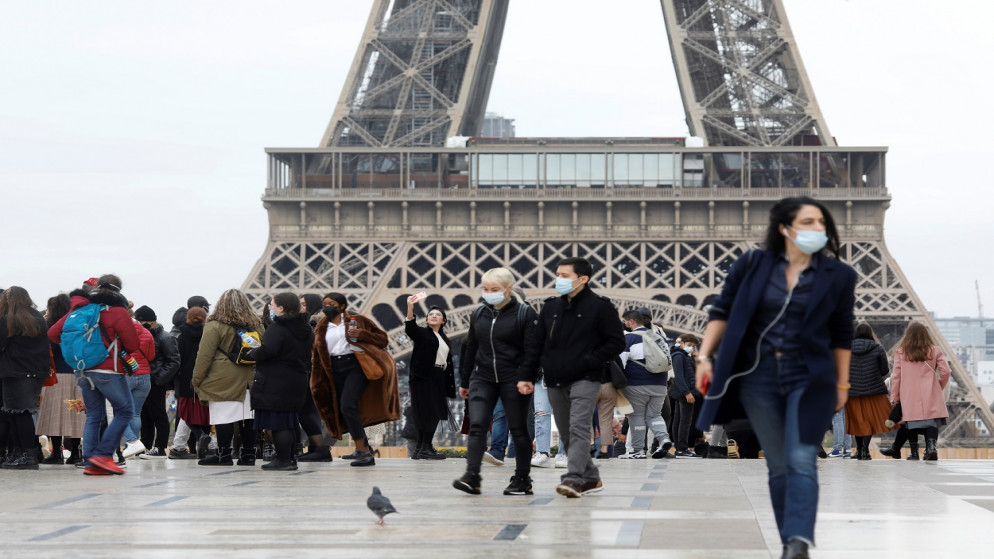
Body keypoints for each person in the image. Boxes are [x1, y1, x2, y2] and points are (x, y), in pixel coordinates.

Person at [694, 196, 857, 558]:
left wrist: (843, 384)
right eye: (809, 222)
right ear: (784, 228)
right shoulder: (752, 264)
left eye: (821, 223)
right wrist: (705, 357)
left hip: (810, 376)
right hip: (758, 377)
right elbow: (721, 310)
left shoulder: (839, 275)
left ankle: (798, 540)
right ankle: (790, 540)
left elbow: (842, 332)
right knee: (779, 462)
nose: (819, 229)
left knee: (802, 460)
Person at [537, 257, 626, 498]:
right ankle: (592, 477)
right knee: (567, 431)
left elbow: (616, 341)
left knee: (578, 427)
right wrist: (531, 371)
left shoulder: (600, 307)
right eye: (558, 274)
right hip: (555, 377)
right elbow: (537, 342)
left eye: (564, 275)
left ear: (583, 279)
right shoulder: (551, 306)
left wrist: (590, 360)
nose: (559, 279)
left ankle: (573, 477)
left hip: (586, 377)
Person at [453, 268, 542, 495]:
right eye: (485, 289)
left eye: (495, 290)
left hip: (513, 378)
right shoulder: (479, 314)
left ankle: (522, 478)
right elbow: (471, 347)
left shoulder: (524, 314)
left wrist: (526, 377)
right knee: (477, 425)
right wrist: (464, 381)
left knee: (518, 429)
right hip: (482, 377)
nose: (489, 293)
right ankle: (472, 476)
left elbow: (533, 350)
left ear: (508, 289)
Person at [48, 275, 142, 475]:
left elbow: (53, 333)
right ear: (118, 292)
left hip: (82, 371)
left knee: (93, 416)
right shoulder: (117, 312)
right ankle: (103, 454)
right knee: (125, 411)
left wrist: (77, 350)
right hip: (108, 371)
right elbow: (133, 345)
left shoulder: (80, 310)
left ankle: (91, 462)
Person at [310, 292, 400, 467]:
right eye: (325, 303)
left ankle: (365, 453)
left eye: (332, 303)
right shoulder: (321, 326)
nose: (327, 306)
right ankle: (362, 448)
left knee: (348, 405)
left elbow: (383, 339)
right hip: (334, 368)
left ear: (342, 306)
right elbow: (317, 352)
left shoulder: (358, 320)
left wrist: (362, 334)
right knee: (344, 409)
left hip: (356, 366)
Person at [191, 289, 264, 466]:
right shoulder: (257, 325)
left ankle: (223, 455)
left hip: (222, 378)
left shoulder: (214, 325)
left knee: (224, 416)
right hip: (250, 376)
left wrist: (196, 379)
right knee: (249, 416)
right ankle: (248, 455)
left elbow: (205, 355)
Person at [247, 292, 314, 471]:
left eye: (273, 305)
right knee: (289, 420)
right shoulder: (305, 328)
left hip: (277, 380)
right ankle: (290, 458)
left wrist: (254, 353)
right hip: (297, 378)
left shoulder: (278, 328)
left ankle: (283, 459)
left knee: (278, 422)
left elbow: (267, 350)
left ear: (282, 308)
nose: (270, 308)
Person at [0, 287, 51, 470]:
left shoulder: (9, 319)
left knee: (17, 414)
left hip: (15, 372)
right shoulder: (37, 317)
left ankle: (26, 455)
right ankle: (23, 453)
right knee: (23, 413)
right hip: (36, 372)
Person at [889, 322, 950, 461]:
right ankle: (931, 447)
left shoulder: (901, 351)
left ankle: (914, 453)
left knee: (910, 421)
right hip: (931, 392)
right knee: (932, 421)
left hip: (909, 393)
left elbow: (896, 377)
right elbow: (946, 371)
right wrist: (939, 386)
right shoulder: (935, 350)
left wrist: (895, 396)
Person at [35, 294, 84, 465]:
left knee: (55, 416)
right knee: (76, 415)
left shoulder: (54, 330)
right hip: (78, 375)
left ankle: (56, 453)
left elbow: (49, 354)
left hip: (57, 375)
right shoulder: (78, 327)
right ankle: (77, 453)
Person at [404, 298, 456, 460]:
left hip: (438, 376)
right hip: (424, 376)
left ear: (444, 320)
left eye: (437, 315)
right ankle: (425, 446)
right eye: (430, 314)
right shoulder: (422, 333)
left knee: (431, 412)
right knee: (427, 412)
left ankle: (422, 447)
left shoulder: (443, 339)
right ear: (426, 319)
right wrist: (410, 307)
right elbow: (411, 328)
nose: (433, 316)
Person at [617, 309, 673, 459]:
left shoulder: (629, 338)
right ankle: (664, 439)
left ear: (632, 321)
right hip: (660, 384)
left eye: (625, 322)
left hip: (637, 384)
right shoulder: (660, 337)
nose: (625, 325)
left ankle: (637, 450)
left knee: (637, 416)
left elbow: (620, 364)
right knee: (655, 415)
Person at [840, 323, 893, 460]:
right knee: (869, 420)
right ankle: (865, 450)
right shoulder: (877, 348)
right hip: (872, 390)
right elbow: (884, 371)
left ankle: (858, 450)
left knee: (857, 420)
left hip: (852, 391)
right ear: (870, 334)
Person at [135, 305, 180, 459]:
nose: (144, 324)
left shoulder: (165, 337)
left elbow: (174, 361)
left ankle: (160, 447)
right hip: (145, 379)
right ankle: (146, 446)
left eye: (147, 321)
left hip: (154, 380)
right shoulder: (156, 336)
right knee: (145, 415)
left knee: (158, 414)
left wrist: (158, 379)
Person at [293, 293, 331, 462]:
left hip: (313, 372)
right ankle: (316, 448)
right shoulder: (316, 323)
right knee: (308, 412)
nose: (299, 307)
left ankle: (321, 449)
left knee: (306, 412)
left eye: (303, 304)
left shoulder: (313, 324)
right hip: (313, 371)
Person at [168, 307, 211, 459]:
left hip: (186, 381)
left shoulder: (181, 336)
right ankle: (204, 442)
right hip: (205, 380)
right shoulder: (208, 334)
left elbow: (177, 360)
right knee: (203, 412)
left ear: (188, 318)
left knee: (186, 413)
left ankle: (182, 445)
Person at [121, 306, 156, 461]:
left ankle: (131, 442)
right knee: (135, 413)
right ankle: (133, 446)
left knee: (119, 412)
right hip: (144, 376)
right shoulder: (146, 332)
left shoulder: (119, 332)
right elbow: (151, 356)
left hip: (125, 375)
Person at [669, 333, 701, 457]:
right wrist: (687, 392)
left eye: (693, 346)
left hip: (680, 392)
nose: (691, 348)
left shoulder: (682, 355)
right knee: (685, 421)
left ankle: (679, 448)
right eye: (689, 345)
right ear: (681, 343)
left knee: (678, 420)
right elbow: (678, 376)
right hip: (684, 392)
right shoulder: (679, 356)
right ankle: (682, 448)